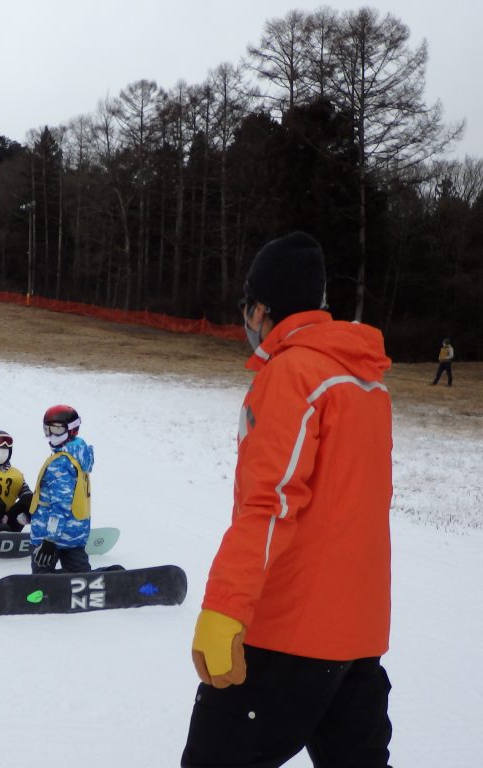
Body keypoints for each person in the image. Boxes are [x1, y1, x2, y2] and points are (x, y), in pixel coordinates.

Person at [182, 231, 394, 768]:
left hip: (288, 637)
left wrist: (225, 609)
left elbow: (269, 505)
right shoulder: (366, 382)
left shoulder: (293, 374)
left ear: (260, 308)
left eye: (246, 309)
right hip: (358, 639)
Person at [27, 405, 95, 573]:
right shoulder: (78, 456)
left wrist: (50, 539)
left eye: (57, 429)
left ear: (72, 430)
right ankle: (105, 575)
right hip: (74, 534)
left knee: (41, 580)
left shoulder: (60, 463)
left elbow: (61, 504)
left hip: (50, 536)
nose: (51, 435)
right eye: (47, 429)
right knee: (79, 576)